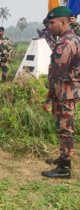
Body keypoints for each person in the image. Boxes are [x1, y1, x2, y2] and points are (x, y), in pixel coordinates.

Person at [42, 6, 80, 179]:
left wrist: (49, 99)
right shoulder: (75, 39)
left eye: (52, 22)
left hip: (64, 93)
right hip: (71, 91)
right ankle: (63, 158)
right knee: (65, 128)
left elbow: (58, 75)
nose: (49, 26)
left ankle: (64, 168)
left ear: (63, 22)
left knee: (65, 130)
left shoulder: (64, 43)